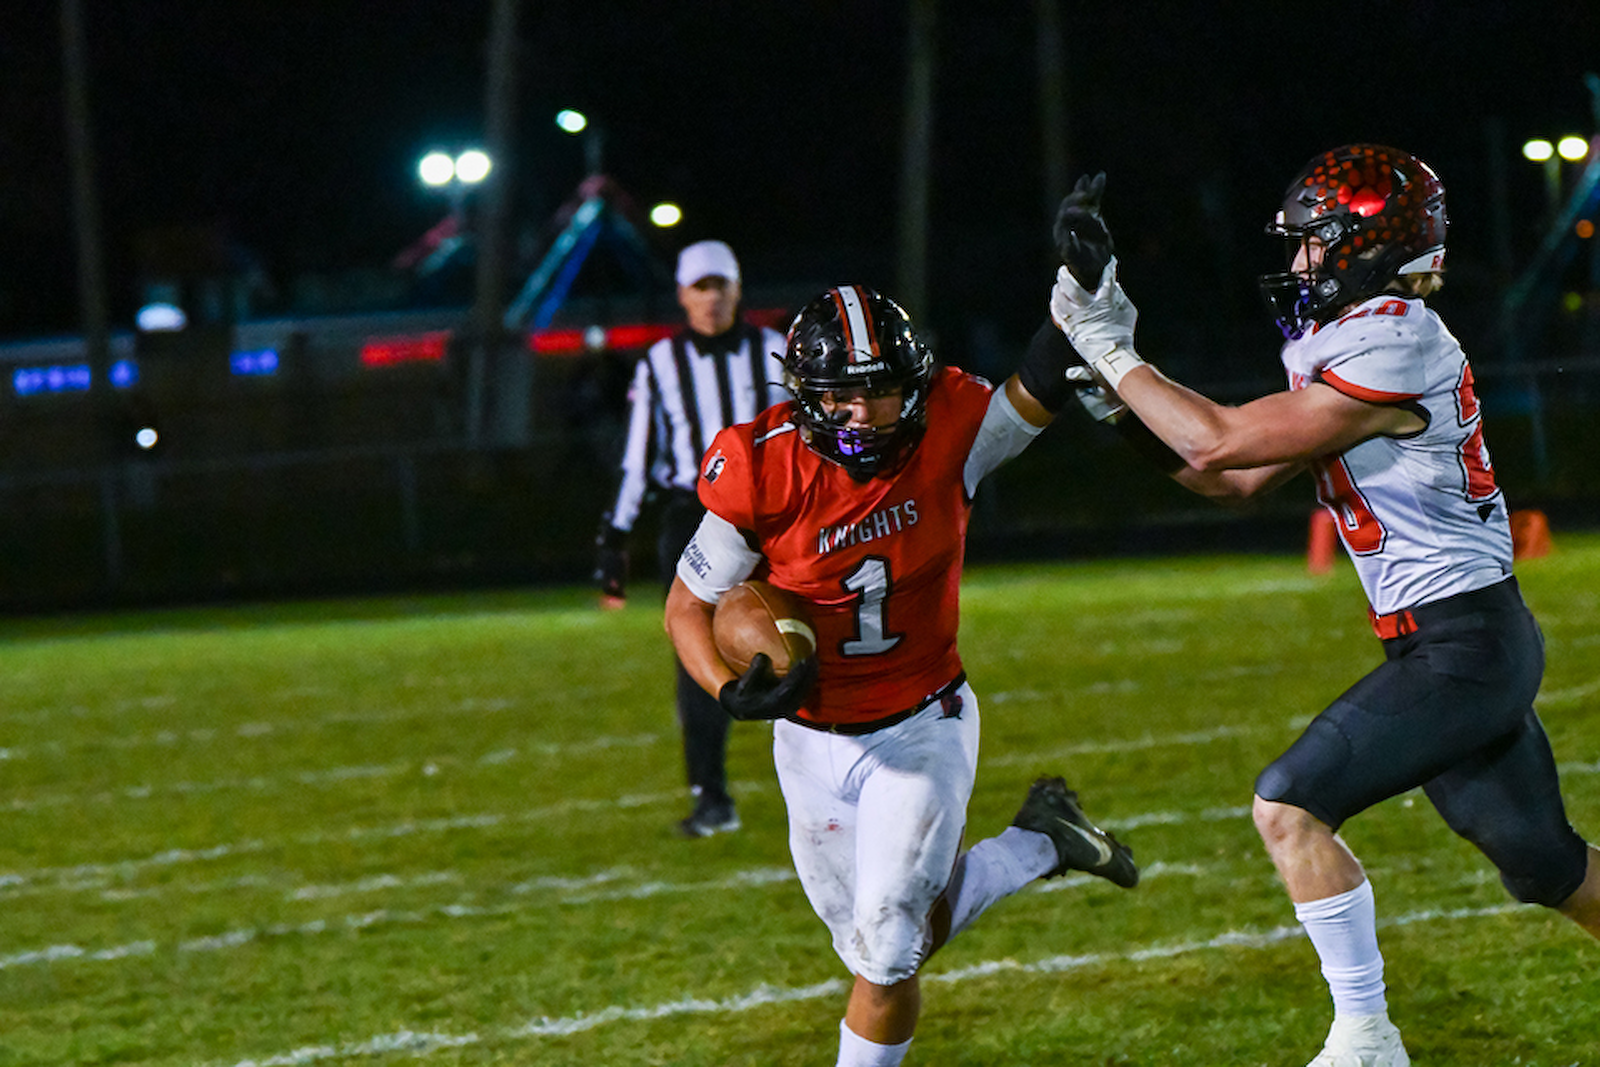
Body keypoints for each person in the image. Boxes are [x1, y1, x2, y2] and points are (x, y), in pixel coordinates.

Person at [1047, 145, 1600, 1067]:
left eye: (1315, 243)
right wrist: (1118, 406)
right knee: (1547, 864)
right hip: (1456, 644)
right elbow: (1229, 479)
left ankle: (1367, 1038)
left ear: (1370, 246)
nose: (1301, 261)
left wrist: (1110, 346)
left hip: (1462, 646)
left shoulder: (1397, 338)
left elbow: (1218, 440)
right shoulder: (1362, 340)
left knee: (1288, 805)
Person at [663, 284, 1139, 1067]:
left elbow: (1039, 382)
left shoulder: (950, 429)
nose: (862, 414)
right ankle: (1041, 843)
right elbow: (689, 604)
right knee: (871, 946)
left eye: (881, 392)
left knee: (887, 948)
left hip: (921, 723)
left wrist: (1081, 289)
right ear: (807, 395)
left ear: (913, 387)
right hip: (809, 739)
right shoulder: (762, 464)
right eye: (841, 395)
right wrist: (725, 687)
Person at [595, 239, 789, 838]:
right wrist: (614, 536)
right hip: (694, 516)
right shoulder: (660, 363)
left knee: (799, 637)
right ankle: (712, 795)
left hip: (773, 516)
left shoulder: (775, 350)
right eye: (700, 287)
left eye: (720, 285)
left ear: (737, 288)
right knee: (696, 655)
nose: (711, 298)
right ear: (682, 294)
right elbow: (637, 458)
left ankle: (835, 779)